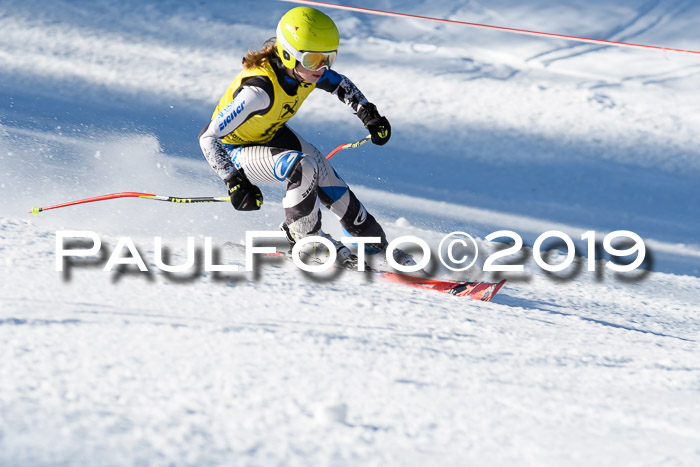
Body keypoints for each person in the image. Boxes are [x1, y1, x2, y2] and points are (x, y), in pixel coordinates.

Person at [199, 6, 412, 269]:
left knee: (321, 167)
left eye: (329, 59)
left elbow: (340, 84)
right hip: (236, 152)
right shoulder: (258, 91)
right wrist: (234, 180)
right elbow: (208, 137)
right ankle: (307, 240)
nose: (322, 68)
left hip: (270, 135)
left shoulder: (305, 71)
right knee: (303, 166)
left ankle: (373, 244)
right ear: (289, 55)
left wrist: (369, 114)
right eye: (314, 60)